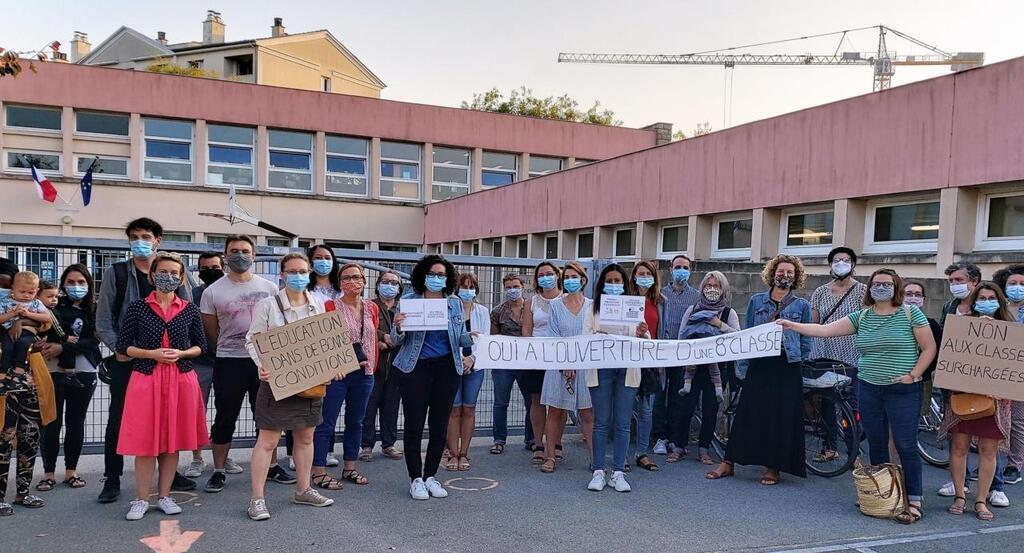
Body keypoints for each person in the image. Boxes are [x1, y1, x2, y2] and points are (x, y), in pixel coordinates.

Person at [779, 268, 936, 524]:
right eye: (876, 284)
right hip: (869, 387)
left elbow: (929, 348)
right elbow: (824, 330)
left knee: (906, 444)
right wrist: (791, 325)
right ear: (869, 289)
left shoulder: (910, 313)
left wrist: (915, 374)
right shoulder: (862, 316)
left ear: (896, 287)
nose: (881, 288)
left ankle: (914, 499)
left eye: (886, 284)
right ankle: (883, 491)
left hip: (902, 390)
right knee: (875, 441)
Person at [95, 217, 195, 503]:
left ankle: (170, 475)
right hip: (129, 361)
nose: (140, 241)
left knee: (167, 419)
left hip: (168, 364)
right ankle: (112, 478)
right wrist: (120, 349)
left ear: (157, 241)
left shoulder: (174, 272)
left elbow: (188, 311)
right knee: (119, 419)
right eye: (135, 236)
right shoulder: (117, 273)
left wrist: (182, 350)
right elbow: (103, 320)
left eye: (146, 236)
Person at [115, 252, 209, 521]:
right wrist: (152, 354)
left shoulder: (189, 308)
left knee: (172, 442)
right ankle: (141, 498)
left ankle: (165, 496)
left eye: (174, 273)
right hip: (146, 378)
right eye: (163, 271)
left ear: (181, 278)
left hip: (181, 378)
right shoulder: (137, 307)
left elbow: (200, 345)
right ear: (151, 275)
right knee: (146, 442)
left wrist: (181, 353)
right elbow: (123, 346)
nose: (168, 277)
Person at [707, 254, 812, 487]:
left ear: (796, 278)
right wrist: (742, 368)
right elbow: (747, 334)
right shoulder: (756, 301)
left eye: (790, 272)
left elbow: (806, 341)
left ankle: (772, 467)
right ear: (772, 273)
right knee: (747, 412)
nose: (784, 275)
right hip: (760, 363)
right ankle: (729, 461)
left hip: (787, 366)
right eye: (781, 271)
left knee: (780, 417)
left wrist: (796, 360)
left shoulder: (802, 305)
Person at [244, 253, 334, 521]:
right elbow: (253, 340)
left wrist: (331, 366)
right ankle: (257, 499)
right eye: (292, 271)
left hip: (311, 383)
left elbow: (327, 341)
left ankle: (303, 489)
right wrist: (262, 364)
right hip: (278, 382)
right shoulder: (268, 305)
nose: (298, 276)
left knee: (305, 438)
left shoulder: (319, 303)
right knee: (268, 441)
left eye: (303, 271)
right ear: (282, 275)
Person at [202, 235, 288, 493]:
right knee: (225, 417)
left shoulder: (270, 288)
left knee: (268, 417)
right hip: (229, 362)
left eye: (245, 250)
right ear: (225, 255)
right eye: (234, 251)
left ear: (254, 255)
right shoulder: (212, 291)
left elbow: (279, 323)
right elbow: (211, 332)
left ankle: (271, 467)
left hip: (264, 363)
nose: (240, 255)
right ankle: (218, 470)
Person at [391, 255, 474, 500]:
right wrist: (397, 326)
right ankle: (415, 478)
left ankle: (431, 476)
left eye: (441, 275)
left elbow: (459, 338)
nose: (436, 279)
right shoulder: (408, 301)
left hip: (446, 368)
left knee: (440, 425)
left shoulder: (454, 303)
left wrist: (473, 338)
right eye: (432, 274)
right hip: (415, 368)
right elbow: (397, 340)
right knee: (414, 424)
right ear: (422, 275)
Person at [937, 282, 1015, 521]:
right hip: (964, 397)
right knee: (959, 447)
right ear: (974, 301)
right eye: (982, 297)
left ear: (999, 301)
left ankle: (981, 499)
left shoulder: (1011, 330)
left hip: (995, 401)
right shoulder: (961, 327)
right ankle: (960, 495)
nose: (986, 301)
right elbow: (951, 360)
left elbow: (1013, 366)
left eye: (991, 297)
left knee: (988, 451)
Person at [311, 263, 377, 490]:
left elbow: (371, 337)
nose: (352, 281)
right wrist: (331, 366)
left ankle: (350, 467)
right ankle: (318, 471)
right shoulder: (330, 306)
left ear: (364, 281)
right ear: (340, 282)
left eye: (357, 277)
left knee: (356, 422)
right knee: (326, 421)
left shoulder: (371, 308)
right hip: (338, 373)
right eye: (347, 278)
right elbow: (323, 339)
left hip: (365, 372)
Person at [36, 265, 101, 492]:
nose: (76, 286)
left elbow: (93, 341)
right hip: (52, 371)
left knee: (76, 422)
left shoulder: (94, 309)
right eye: (70, 282)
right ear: (63, 284)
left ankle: (72, 471)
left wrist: (62, 347)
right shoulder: (53, 307)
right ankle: (48, 474)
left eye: (81, 282)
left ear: (89, 284)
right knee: (51, 423)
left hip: (84, 372)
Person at [586, 263, 647, 493]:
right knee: (601, 422)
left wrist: (643, 332)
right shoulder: (593, 308)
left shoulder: (634, 307)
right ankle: (598, 470)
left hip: (626, 369)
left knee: (622, 423)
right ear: (602, 284)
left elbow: (645, 338)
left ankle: (618, 472)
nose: (613, 285)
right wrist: (599, 336)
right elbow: (585, 337)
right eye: (609, 281)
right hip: (601, 369)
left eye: (617, 281)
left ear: (625, 283)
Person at [807, 246, 867, 462]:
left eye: (846, 259)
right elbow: (814, 322)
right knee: (826, 403)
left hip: (851, 354)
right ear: (830, 265)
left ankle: (854, 452)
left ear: (853, 265)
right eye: (837, 260)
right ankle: (829, 447)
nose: (841, 263)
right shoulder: (820, 292)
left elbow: (867, 321)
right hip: (823, 353)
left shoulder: (862, 291)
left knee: (852, 405)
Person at [676, 272, 740, 466]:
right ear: (702, 288)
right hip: (692, 368)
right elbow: (681, 337)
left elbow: (738, 338)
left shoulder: (730, 313)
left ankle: (704, 450)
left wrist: (718, 324)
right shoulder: (692, 309)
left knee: (711, 411)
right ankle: (679, 446)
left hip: (717, 371)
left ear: (723, 290)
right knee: (685, 408)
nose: (711, 289)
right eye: (708, 285)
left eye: (716, 286)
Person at [538, 262, 594, 474]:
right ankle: (550, 455)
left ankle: (594, 458)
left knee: (588, 414)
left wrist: (577, 362)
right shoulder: (555, 306)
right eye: (567, 277)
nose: (571, 280)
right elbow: (553, 337)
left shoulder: (592, 306)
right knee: (554, 411)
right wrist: (565, 363)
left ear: (583, 279)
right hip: (558, 366)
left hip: (585, 367)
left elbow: (594, 337)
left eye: (574, 276)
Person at [0, 269, 48, 515]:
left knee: (29, 437)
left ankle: (23, 492)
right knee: (2, 441)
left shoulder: (31, 304)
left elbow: (49, 321)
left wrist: (21, 321)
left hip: (30, 383)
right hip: (3, 388)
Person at [653, 254, 701, 458]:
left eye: (685, 267)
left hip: (683, 354)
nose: (681, 270)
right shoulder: (660, 294)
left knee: (678, 397)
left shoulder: (697, 296)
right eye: (677, 267)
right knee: (658, 397)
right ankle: (658, 438)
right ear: (671, 270)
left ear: (690, 270)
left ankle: (673, 438)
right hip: (662, 352)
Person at [443, 273, 489, 472]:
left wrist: (471, 359)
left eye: (471, 287)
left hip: (475, 366)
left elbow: (484, 339)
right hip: (452, 365)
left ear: (476, 290)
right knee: (454, 410)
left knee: (469, 408)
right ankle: (453, 454)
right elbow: (446, 337)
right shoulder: (448, 309)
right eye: (464, 286)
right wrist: (459, 359)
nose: (467, 290)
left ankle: (464, 453)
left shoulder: (483, 311)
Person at [522, 263, 567, 462]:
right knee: (537, 400)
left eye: (549, 274)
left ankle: (556, 441)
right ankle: (538, 443)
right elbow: (526, 331)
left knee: (560, 402)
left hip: (562, 356)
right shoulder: (531, 302)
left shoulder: (567, 299)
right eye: (541, 275)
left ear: (558, 276)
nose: (546, 277)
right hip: (538, 356)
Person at [184, 251, 223, 479]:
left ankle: (222, 455)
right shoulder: (193, 294)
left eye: (215, 266)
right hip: (200, 363)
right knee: (197, 411)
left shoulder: (230, 291)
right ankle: (197, 458)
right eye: (205, 267)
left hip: (227, 361)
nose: (210, 271)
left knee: (225, 412)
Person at [489, 273, 535, 456]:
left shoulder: (532, 308)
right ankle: (499, 439)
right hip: (504, 363)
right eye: (508, 287)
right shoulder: (498, 311)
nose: (512, 290)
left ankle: (531, 438)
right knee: (501, 402)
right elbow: (493, 338)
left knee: (531, 402)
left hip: (528, 362)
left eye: (515, 286)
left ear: (522, 286)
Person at [360, 271, 404, 461]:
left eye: (394, 282)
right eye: (385, 281)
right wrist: (381, 337)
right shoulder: (368, 306)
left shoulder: (403, 308)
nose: (390, 285)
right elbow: (362, 327)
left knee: (391, 407)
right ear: (377, 285)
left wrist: (393, 341)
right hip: (374, 365)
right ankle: (366, 446)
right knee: (369, 407)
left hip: (396, 366)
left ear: (399, 288)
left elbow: (410, 332)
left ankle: (389, 444)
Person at [629, 261, 663, 472]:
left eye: (648, 273)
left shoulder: (660, 301)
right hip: (628, 359)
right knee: (624, 408)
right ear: (633, 277)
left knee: (646, 410)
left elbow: (662, 330)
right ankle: (621, 455)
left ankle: (642, 452)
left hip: (650, 361)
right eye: (640, 273)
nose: (644, 277)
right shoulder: (625, 299)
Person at [993, 265, 1024, 485]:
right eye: (1012, 284)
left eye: (1022, 284)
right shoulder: (998, 309)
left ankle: (1014, 464)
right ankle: (991, 464)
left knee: (1017, 421)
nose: (1017, 288)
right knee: (994, 418)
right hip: (996, 371)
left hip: (1020, 373)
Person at [0, 272, 53, 390]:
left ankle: (18, 374)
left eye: (31, 292)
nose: (27, 296)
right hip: (7, 331)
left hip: (27, 333)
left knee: (23, 344)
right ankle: (2, 376)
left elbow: (47, 318)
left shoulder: (35, 303)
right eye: (22, 292)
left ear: (37, 291)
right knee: (7, 348)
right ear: (13, 288)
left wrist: (28, 315)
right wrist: (13, 313)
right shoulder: (5, 301)